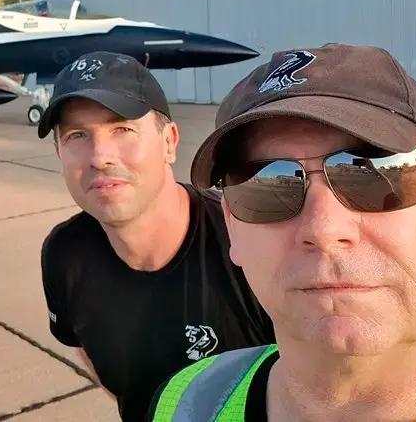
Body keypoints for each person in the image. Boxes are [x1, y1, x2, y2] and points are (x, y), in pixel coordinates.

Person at [148, 43, 416, 421]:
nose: (324, 228)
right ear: (232, 226)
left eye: (371, 173)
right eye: (266, 186)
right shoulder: (187, 399)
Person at [36, 51, 276, 421]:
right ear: (58, 152)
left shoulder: (248, 245)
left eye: (123, 129)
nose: (100, 156)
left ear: (169, 142)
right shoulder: (64, 255)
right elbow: (99, 363)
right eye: (77, 136)